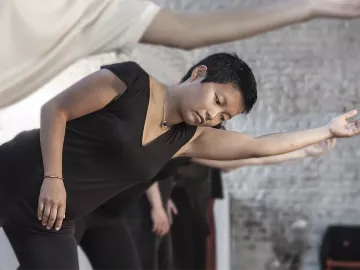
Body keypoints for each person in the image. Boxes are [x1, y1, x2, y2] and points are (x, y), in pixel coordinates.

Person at [0, 52, 359, 270]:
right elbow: (55, 110)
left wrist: (325, 130)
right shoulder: (129, 80)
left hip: (52, 221)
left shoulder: (187, 140)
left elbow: (257, 147)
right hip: (13, 173)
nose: (213, 116)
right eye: (218, 100)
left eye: (223, 117)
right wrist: (53, 177)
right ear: (199, 73)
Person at [1, 0, 360, 108]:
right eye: (219, 103)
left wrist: (310, 8)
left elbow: (189, 32)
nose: (215, 114)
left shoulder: (98, 9)